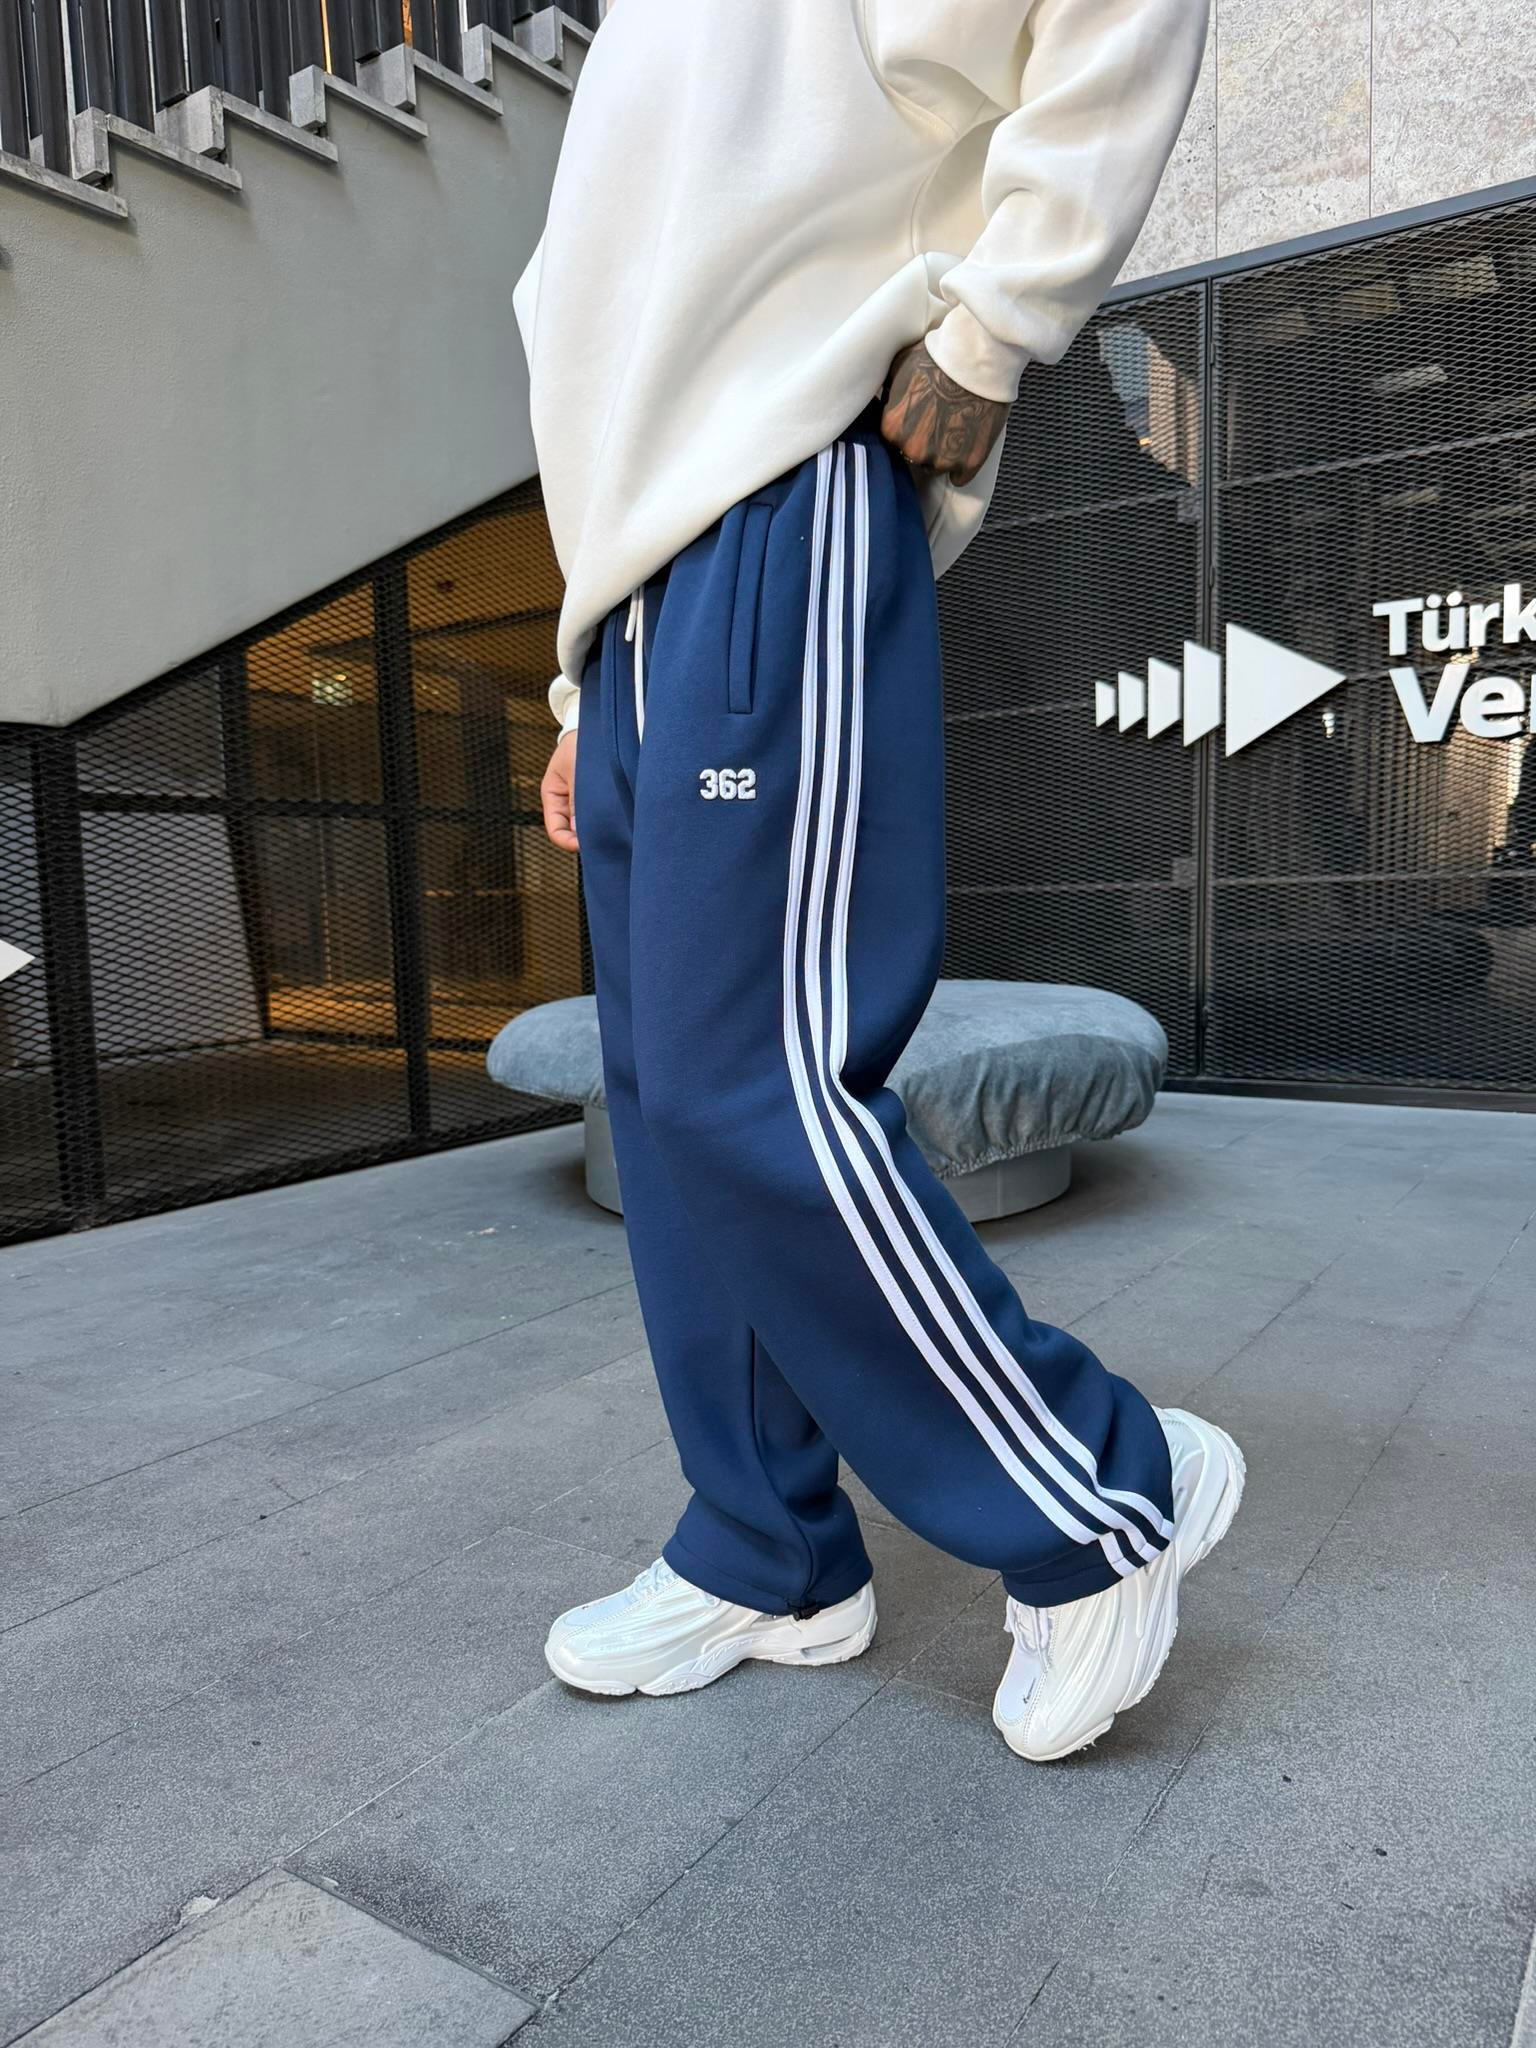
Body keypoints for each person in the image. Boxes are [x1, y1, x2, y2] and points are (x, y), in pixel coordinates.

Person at [514, 0, 1242, 1762]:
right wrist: (583, 672)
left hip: (781, 486)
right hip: (638, 594)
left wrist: (1002, 321)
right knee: (667, 1107)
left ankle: (1094, 1492)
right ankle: (768, 1551)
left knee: (752, 1081)